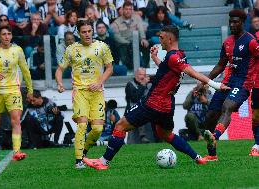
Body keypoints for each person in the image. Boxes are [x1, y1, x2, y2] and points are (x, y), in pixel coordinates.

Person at [83, 25, 230, 170]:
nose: (159, 40)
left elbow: (192, 72)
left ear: (170, 38)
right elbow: (169, 71)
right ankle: (198, 158)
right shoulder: (179, 55)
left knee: (120, 126)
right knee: (165, 134)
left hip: (154, 102)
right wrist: (154, 58)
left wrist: (215, 85)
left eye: (161, 37)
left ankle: (103, 162)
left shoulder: (173, 57)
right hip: (167, 105)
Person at [55, 19, 113, 168]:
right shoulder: (72, 49)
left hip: (97, 92)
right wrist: (60, 84)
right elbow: (60, 70)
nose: (87, 34)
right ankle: (78, 160)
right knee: (82, 125)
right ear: (78, 33)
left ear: (92, 31)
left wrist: (100, 82)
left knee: (97, 129)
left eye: (89, 31)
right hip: (80, 91)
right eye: (83, 32)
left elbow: (109, 68)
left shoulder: (102, 47)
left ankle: (84, 150)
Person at [202, 10, 259, 161]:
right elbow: (221, 65)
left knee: (227, 106)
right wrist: (205, 80)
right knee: (210, 116)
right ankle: (212, 155)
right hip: (227, 82)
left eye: (236, 22)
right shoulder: (227, 42)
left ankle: (215, 136)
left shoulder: (251, 41)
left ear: (242, 22)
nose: (232, 25)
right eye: (231, 22)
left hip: (243, 83)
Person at [0, 25, 33, 163]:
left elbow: (26, 71)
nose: (7, 37)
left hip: (13, 90)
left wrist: (30, 90)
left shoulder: (17, 50)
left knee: (15, 120)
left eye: (9, 34)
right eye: (4, 34)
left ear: (11, 36)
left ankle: (17, 151)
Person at [126, 68, 155, 144]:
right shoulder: (130, 85)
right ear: (136, 75)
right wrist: (142, 85)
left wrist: (152, 78)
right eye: (140, 75)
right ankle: (142, 137)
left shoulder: (148, 84)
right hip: (132, 111)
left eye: (144, 75)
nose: (142, 77)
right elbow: (135, 98)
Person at [248, 16, 259, 156]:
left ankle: (257, 145)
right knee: (256, 116)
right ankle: (256, 143)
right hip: (257, 84)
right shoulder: (254, 38)